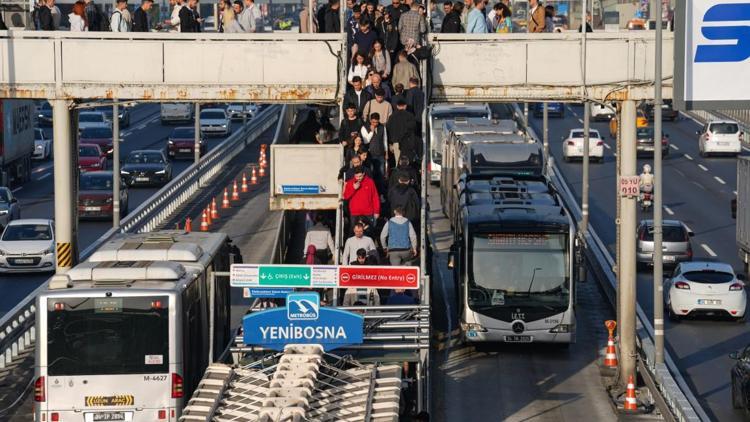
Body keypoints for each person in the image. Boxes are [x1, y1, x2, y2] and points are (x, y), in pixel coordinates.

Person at [360, 112, 388, 190]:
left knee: (381, 173)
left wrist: (386, 151)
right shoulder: (364, 127)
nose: (375, 124)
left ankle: (381, 191)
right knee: (371, 172)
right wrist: (371, 131)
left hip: (380, 153)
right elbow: (366, 141)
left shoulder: (382, 127)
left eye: (376, 122)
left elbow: (385, 139)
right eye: (373, 122)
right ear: (370, 120)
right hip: (370, 154)